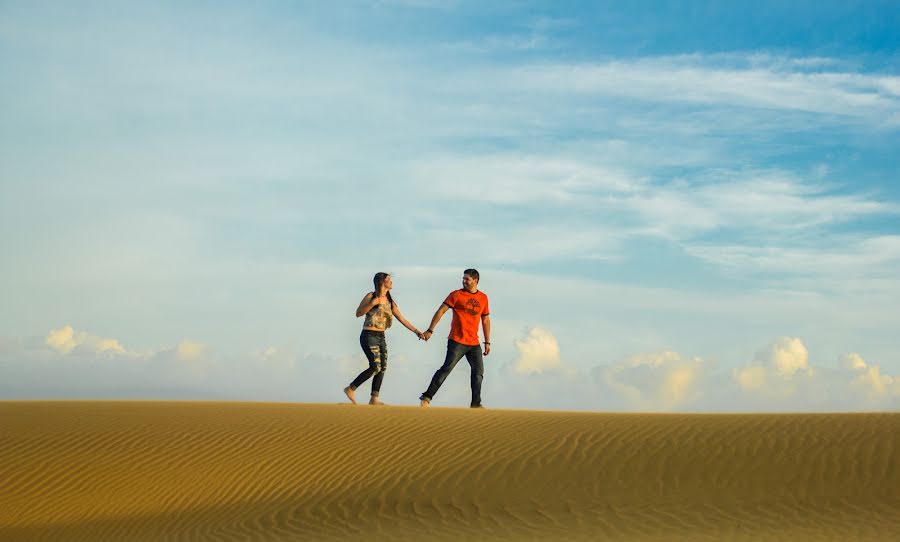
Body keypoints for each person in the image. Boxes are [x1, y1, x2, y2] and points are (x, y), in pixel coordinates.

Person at [344, 272, 423, 405]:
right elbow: (358, 313)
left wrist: (416, 331)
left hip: (381, 336)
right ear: (381, 282)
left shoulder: (390, 301)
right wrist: (373, 302)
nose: (391, 282)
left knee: (383, 367)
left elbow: (401, 318)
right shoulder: (371, 296)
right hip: (368, 335)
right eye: (389, 280)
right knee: (375, 367)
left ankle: (374, 398)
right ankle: (350, 388)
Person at [419, 269, 491, 408]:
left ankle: (476, 404)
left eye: (467, 279)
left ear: (475, 281)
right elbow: (441, 311)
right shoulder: (456, 295)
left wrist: (487, 342)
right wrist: (430, 330)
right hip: (457, 341)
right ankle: (426, 398)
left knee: (478, 373)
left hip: (474, 343)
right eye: (463, 278)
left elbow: (486, 320)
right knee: (446, 369)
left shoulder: (483, 298)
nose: (463, 281)